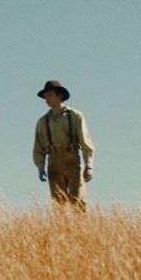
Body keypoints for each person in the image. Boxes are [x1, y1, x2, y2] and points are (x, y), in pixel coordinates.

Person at [33, 80, 96, 212]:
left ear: (60, 95)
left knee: (78, 202)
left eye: (50, 95)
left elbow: (86, 142)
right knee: (58, 205)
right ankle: (61, 226)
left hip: (73, 161)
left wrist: (89, 165)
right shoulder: (43, 122)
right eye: (45, 96)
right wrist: (40, 167)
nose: (47, 99)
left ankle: (80, 226)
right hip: (54, 163)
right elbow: (38, 148)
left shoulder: (75, 116)